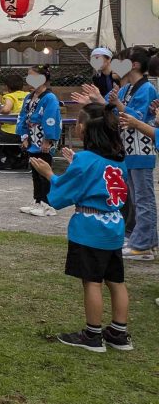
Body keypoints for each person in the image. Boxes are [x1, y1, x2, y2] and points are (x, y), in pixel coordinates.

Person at [29, 104, 132, 352]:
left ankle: (92, 335)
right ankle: (119, 332)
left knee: (92, 281)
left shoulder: (85, 160)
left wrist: (49, 174)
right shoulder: (118, 161)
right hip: (113, 226)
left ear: (83, 129)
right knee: (116, 281)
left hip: (89, 228)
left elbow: (61, 195)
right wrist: (76, 165)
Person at [111, 48, 157, 261]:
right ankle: (145, 239)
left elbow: (136, 117)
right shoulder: (127, 88)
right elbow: (115, 112)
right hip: (130, 149)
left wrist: (119, 106)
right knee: (137, 198)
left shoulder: (146, 88)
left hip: (142, 148)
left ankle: (143, 244)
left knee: (143, 198)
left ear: (134, 64)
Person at [17, 66, 62, 217]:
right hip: (32, 138)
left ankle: (47, 203)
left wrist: (48, 140)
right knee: (35, 172)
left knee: (44, 172)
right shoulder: (29, 97)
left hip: (43, 138)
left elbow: (51, 119)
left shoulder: (50, 98)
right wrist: (23, 136)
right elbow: (22, 116)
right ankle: (37, 200)